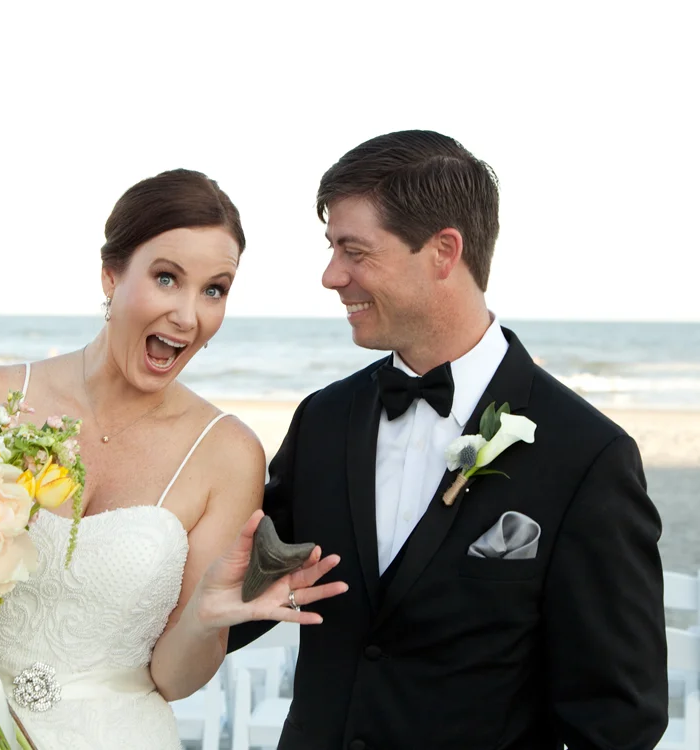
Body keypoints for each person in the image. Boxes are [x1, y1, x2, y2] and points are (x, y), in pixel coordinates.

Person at [0, 168, 347, 749]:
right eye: (167, 278)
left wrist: (205, 617)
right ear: (110, 274)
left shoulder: (228, 454)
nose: (189, 316)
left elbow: (173, 679)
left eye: (214, 290)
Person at [227, 130, 670, 748]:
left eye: (354, 251)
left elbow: (618, 719)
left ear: (443, 251)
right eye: (331, 249)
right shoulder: (323, 420)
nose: (331, 276)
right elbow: (238, 598)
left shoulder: (589, 456)